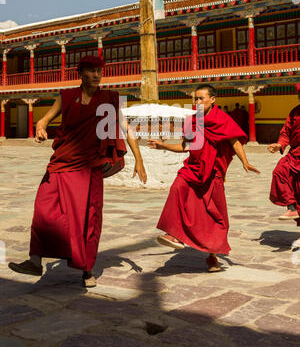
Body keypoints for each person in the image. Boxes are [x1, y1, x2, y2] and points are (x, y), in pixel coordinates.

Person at [8, 56, 147, 287]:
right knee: (43, 210)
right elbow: (43, 120)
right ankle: (35, 260)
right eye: (91, 71)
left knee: (86, 219)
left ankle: (87, 269)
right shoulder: (66, 96)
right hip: (61, 163)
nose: (96, 75)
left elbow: (126, 127)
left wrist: (139, 160)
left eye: (99, 71)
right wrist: (40, 129)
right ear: (80, 74)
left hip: (88, 168)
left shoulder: (110, 100)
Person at [147, 84, 260, 272]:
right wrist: (163, 146)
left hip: (213, 172)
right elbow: (185, 146)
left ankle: (212, 255)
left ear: (212, 100)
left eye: (201, 98)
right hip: (192, 168)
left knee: (213, 213)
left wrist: (245, 162)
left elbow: (234, 141)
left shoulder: (222, 119)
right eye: (195, 99)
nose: (197, 102)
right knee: (177, 188)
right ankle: (173, 234)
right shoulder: (191, 121)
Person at [269, 82, 300, 221]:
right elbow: (286, 132)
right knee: (279, 171)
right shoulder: (295, 112)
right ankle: (292, 208)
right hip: (295, 154)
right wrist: (280, 144)